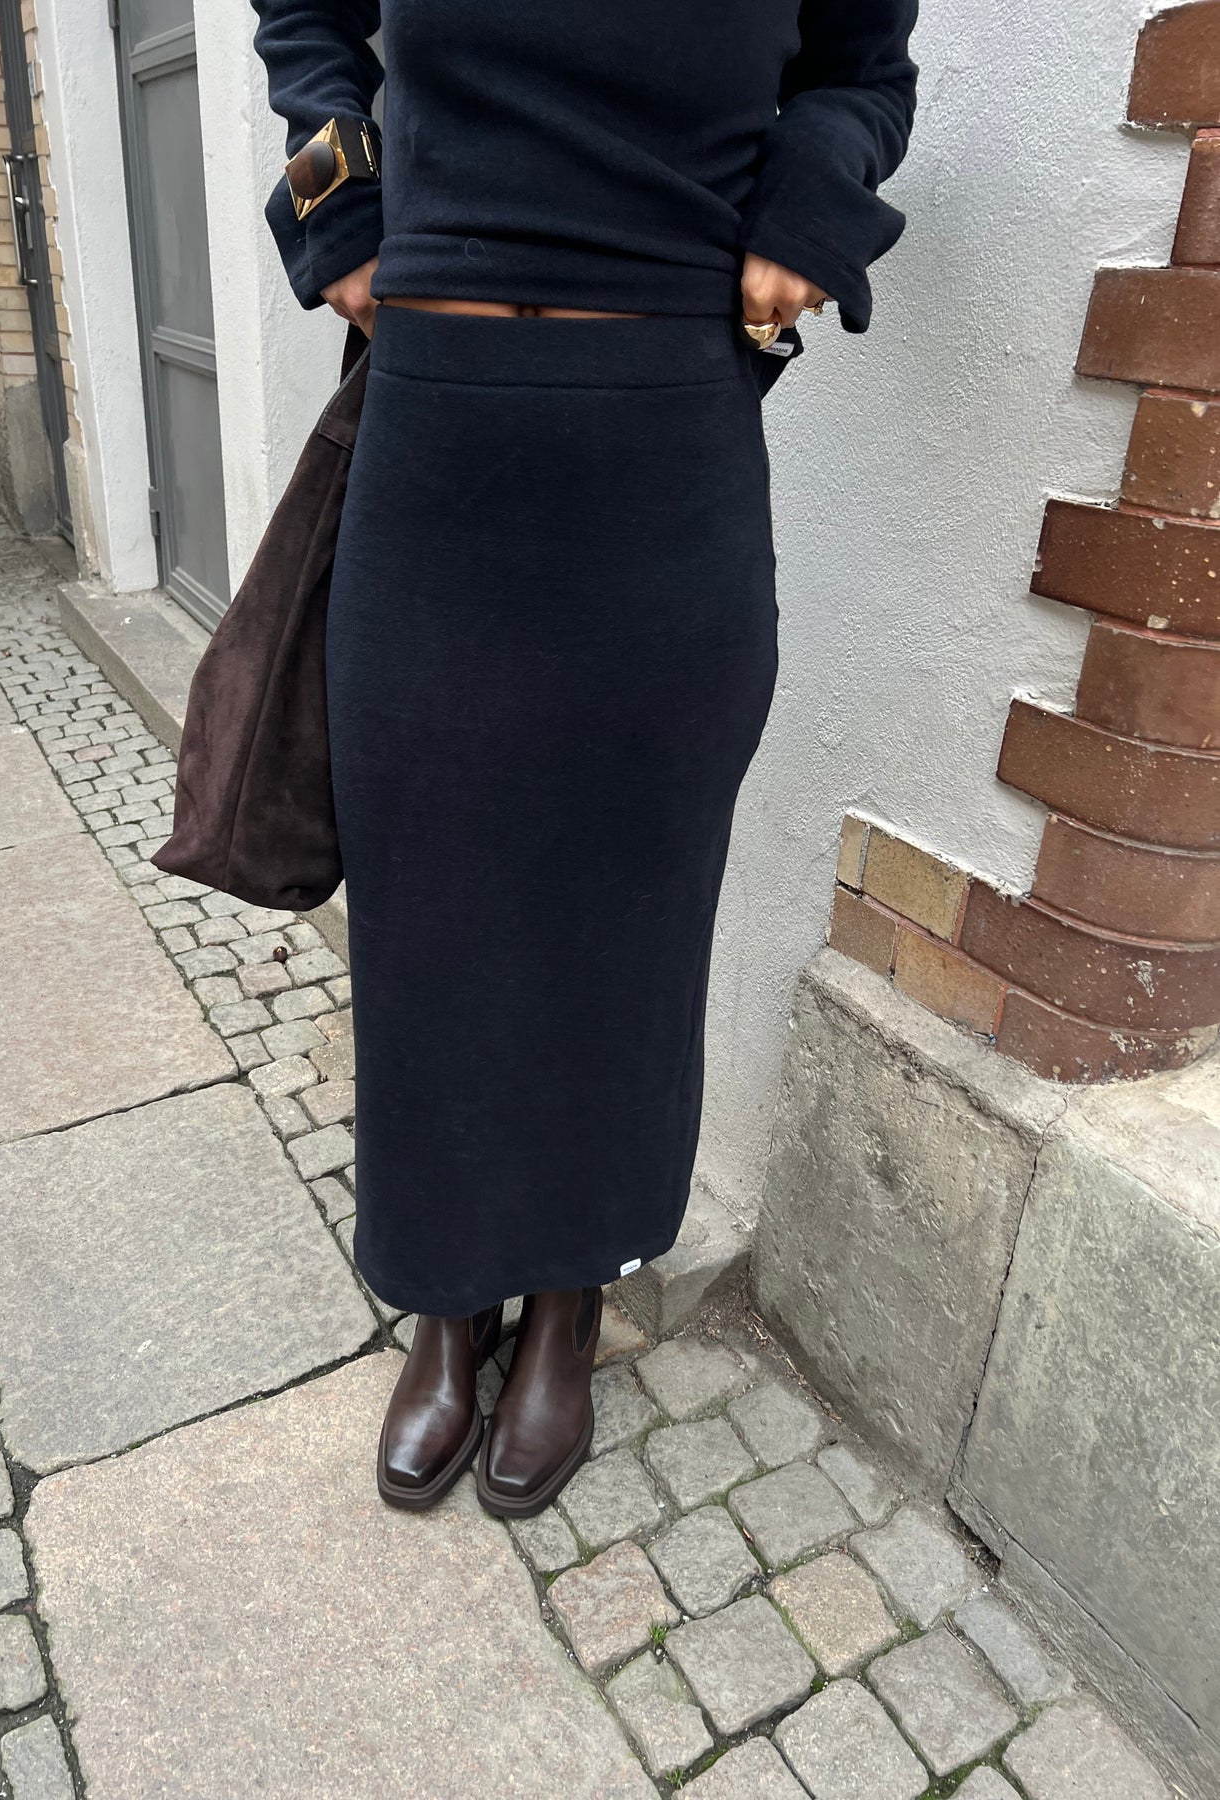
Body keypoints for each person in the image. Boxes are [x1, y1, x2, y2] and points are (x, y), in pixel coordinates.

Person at [249, 0, 919, 1519]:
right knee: (430, 920)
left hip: (665, 436)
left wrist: (805, 209)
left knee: (626, 922)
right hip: (438, 428)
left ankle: (568, 1301)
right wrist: (338, 206)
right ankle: (446, 1303)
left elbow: (862, 69)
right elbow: (303, 14)